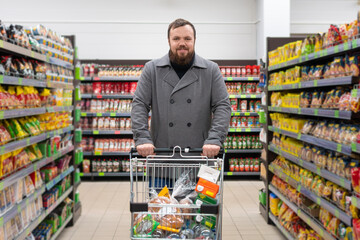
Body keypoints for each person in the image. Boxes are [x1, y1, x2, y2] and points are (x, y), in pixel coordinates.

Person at [131, 18, 231, 157]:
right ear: (169, 41)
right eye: (176, 38)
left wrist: (215, 138)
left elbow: (222, 106)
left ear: (194, 40)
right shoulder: (152, 69)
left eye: (187, 38)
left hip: (200, 154)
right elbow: (139, 105)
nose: (182, 43)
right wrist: (142, 138)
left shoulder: (211, 69)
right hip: (162, 154)